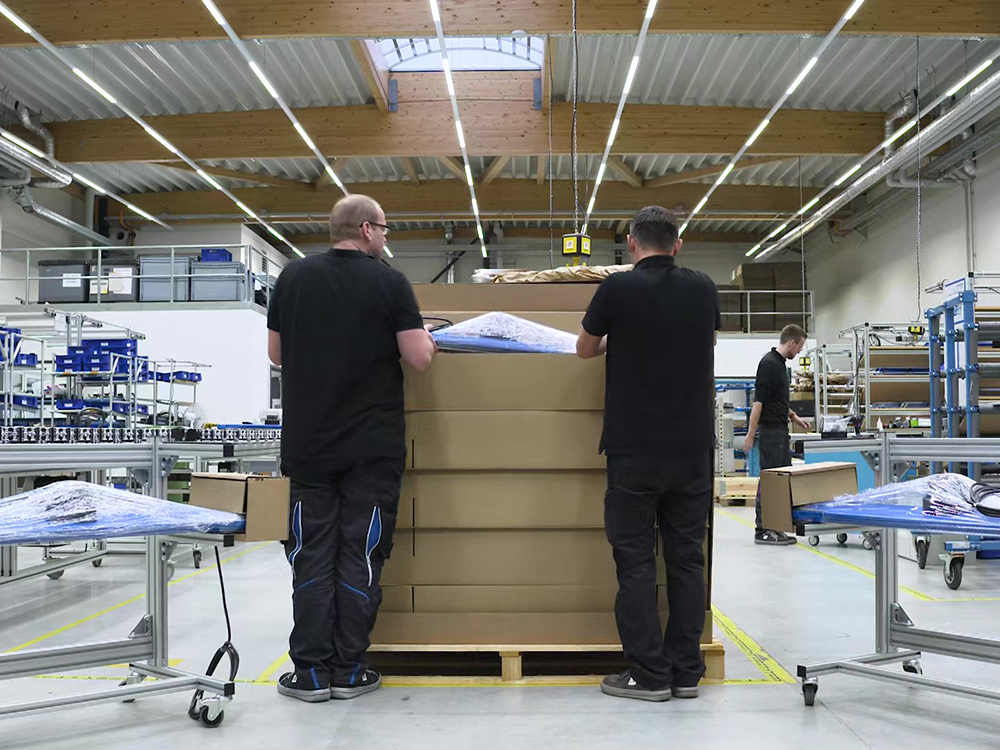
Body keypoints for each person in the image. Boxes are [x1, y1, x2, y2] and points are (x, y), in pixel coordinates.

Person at [266, 194, 436, 703]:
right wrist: (427, 336)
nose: (386, 238)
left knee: (309, 554)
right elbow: (420, 359)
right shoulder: (388, 281)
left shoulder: (292, 278)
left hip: (307, 447)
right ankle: (350, 670)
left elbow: (276, 355)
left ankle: (310, 673)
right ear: (366, 230)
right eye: (384, 229)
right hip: (371, 448)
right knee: (360, 554)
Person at [577, 206, 719, 703]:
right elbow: (708, 340)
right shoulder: (703, 288)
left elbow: (584, 349)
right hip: (691, 451)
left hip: (634, 450)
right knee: (686, 561)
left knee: (636, 562)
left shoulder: (616, 289)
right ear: (677, 244)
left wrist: (625, 336)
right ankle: (685, 672)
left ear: (632, 245)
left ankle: (648, 674)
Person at [744, 324, 810, 546]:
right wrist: (751, 434)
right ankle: (762, 529)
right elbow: (759, 402)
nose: (800, 350)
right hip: (771, 433)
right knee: (770, 482)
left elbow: (776, 401)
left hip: (781, 431)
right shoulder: (769, 364)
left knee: (781, 483)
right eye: (799, 346)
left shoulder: (780, 365)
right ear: (791, 342)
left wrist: (794, 417)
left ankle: (776, 527)